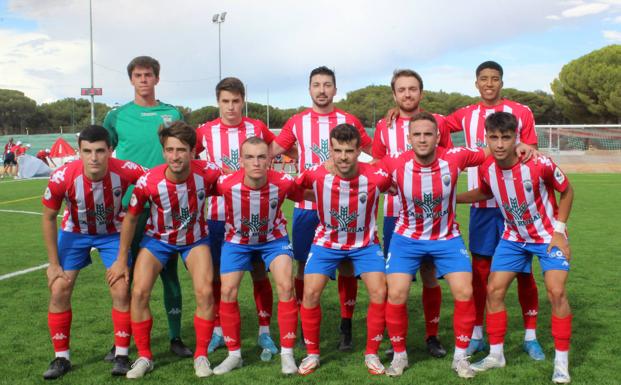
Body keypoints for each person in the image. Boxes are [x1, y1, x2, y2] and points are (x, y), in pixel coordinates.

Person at [379, 112, 501, 379]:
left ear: (437, 137)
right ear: (409, 138)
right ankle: (399, 356)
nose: (422, 139)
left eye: (428, 134)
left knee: (464, 291)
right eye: (417, 134)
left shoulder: (454, 157)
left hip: (446, 238)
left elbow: (492, 148)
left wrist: (523, 146)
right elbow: (362, 172)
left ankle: (461, 357)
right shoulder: (394, 163)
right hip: (406, 238)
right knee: (396, 293)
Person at [457, 112, 574, 384]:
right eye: (493, 138)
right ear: (486, 138)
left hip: (547, 237)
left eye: (505, 138)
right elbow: (486, 191)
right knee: (493, 290)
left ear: (515, 138)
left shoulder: (538, 163)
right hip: (514, 238)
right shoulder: (486, 168)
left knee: (556, 292)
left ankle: (561, 363)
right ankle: (497, 354)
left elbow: (567, 191)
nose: (499, 144)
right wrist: (453, 198)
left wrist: (559, 232)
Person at [444, 61, 543, 359]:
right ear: (476, 83)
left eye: (495, 79)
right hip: (482, 206)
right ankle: (477, 334)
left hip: (516, 209)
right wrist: (397, 114)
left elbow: (532, 150)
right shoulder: (465, 114)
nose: (489, 84)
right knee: (480, 272)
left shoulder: (521, 112)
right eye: (484, 79)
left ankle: (530, 336)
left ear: (502, 82)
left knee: (524, 273)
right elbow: (433, 125)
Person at [271, 66, 373, 350]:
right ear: (309, 89)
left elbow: (375, 152)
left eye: (327, 84)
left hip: (344, 207)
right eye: (316, 84)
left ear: (335, 89)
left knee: (347, 266)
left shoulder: (348, 120)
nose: (322, 90)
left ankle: (346, 326)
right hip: (307, 207)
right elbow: (272, 152)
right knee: (303, 265)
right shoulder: (296, 122)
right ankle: (306, 323)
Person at [107, 121, 220, 378]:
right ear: (163, 151)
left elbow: (234, 186)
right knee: (138, 292)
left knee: (204, 291)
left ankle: (201, 355)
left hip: (194, 239)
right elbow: (131, 219)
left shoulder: (209, 173)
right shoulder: (149, 181)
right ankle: (145, 357)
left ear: (193, 152)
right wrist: (122, 259)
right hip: (157, 240)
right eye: (169, 149)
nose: (175, 156)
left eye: (181, 150)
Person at [103, 56, 192, 359]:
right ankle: (122, 340)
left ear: (157, 78)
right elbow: (106, 152)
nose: (143, 80)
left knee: (169, 274)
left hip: (166, 204)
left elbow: (184, 151)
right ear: (131, 80)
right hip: (130, 206)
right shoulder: (116, 116)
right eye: (138, 75)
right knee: (124, 273)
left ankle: (175, 336)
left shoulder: (171, 113)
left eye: (149, 75)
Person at [41, 125, 146, 379]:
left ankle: (121, 354)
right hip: (75, 232)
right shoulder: (62, 177)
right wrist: (53, 264)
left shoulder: (126, 170)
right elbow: (48, 217)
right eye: (87, 151)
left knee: (121, 287)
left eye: (100, 151)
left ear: (110, 150)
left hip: (113, 233)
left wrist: (123, 260)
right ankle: (61, 358)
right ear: (79, 152)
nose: (94, 157)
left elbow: (154, 181)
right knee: (59, 288)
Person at [295, 124, 390, 375]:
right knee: (310, 293)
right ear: (330, 150)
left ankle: (372, 354)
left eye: (349, 150)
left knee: (380, 292)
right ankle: (312, 354)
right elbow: (293, 190)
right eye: (338, 151)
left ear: (360, 150)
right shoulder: (315, 174)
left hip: (365, 244)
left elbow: (399, 185)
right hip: (326, 243)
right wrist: (318, 196)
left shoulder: (377, 174)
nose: (343, 157)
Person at [195, 77, 278, 359]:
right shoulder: (204, 131)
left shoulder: (257, 127)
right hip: (218, 217)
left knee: (258, 274)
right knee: (219, 277)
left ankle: (264, 330)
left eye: (235, 101)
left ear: (243, 100)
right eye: (225, 101)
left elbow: (280, 150)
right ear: (217, 102)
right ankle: (219, 328)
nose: (230, 107)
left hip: (256, 215)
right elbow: (191, 161)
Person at [211, 137, 308, 375]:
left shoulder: (283, 182)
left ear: (270, 160)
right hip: (237, 241)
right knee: (227, 291)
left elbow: (307, 195)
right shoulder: (225, 184)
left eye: (262, 157)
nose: (256, 162)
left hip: (273, 240)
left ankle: (287, 354)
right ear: (241, 160)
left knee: (286, 286)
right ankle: (234, 355)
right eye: (250, 157)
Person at [372, 69, 453, 358]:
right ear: (394, 94)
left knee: (430, 275)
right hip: (396, 214)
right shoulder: (384, 125)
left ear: (421, 92)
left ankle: (432, 335)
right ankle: (395, 339)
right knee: (396, 281)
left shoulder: (437, 123)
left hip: (434, 217)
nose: (407, 94)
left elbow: (449, 162)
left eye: (412, 89)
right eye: (402, 90)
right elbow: (378, 165)